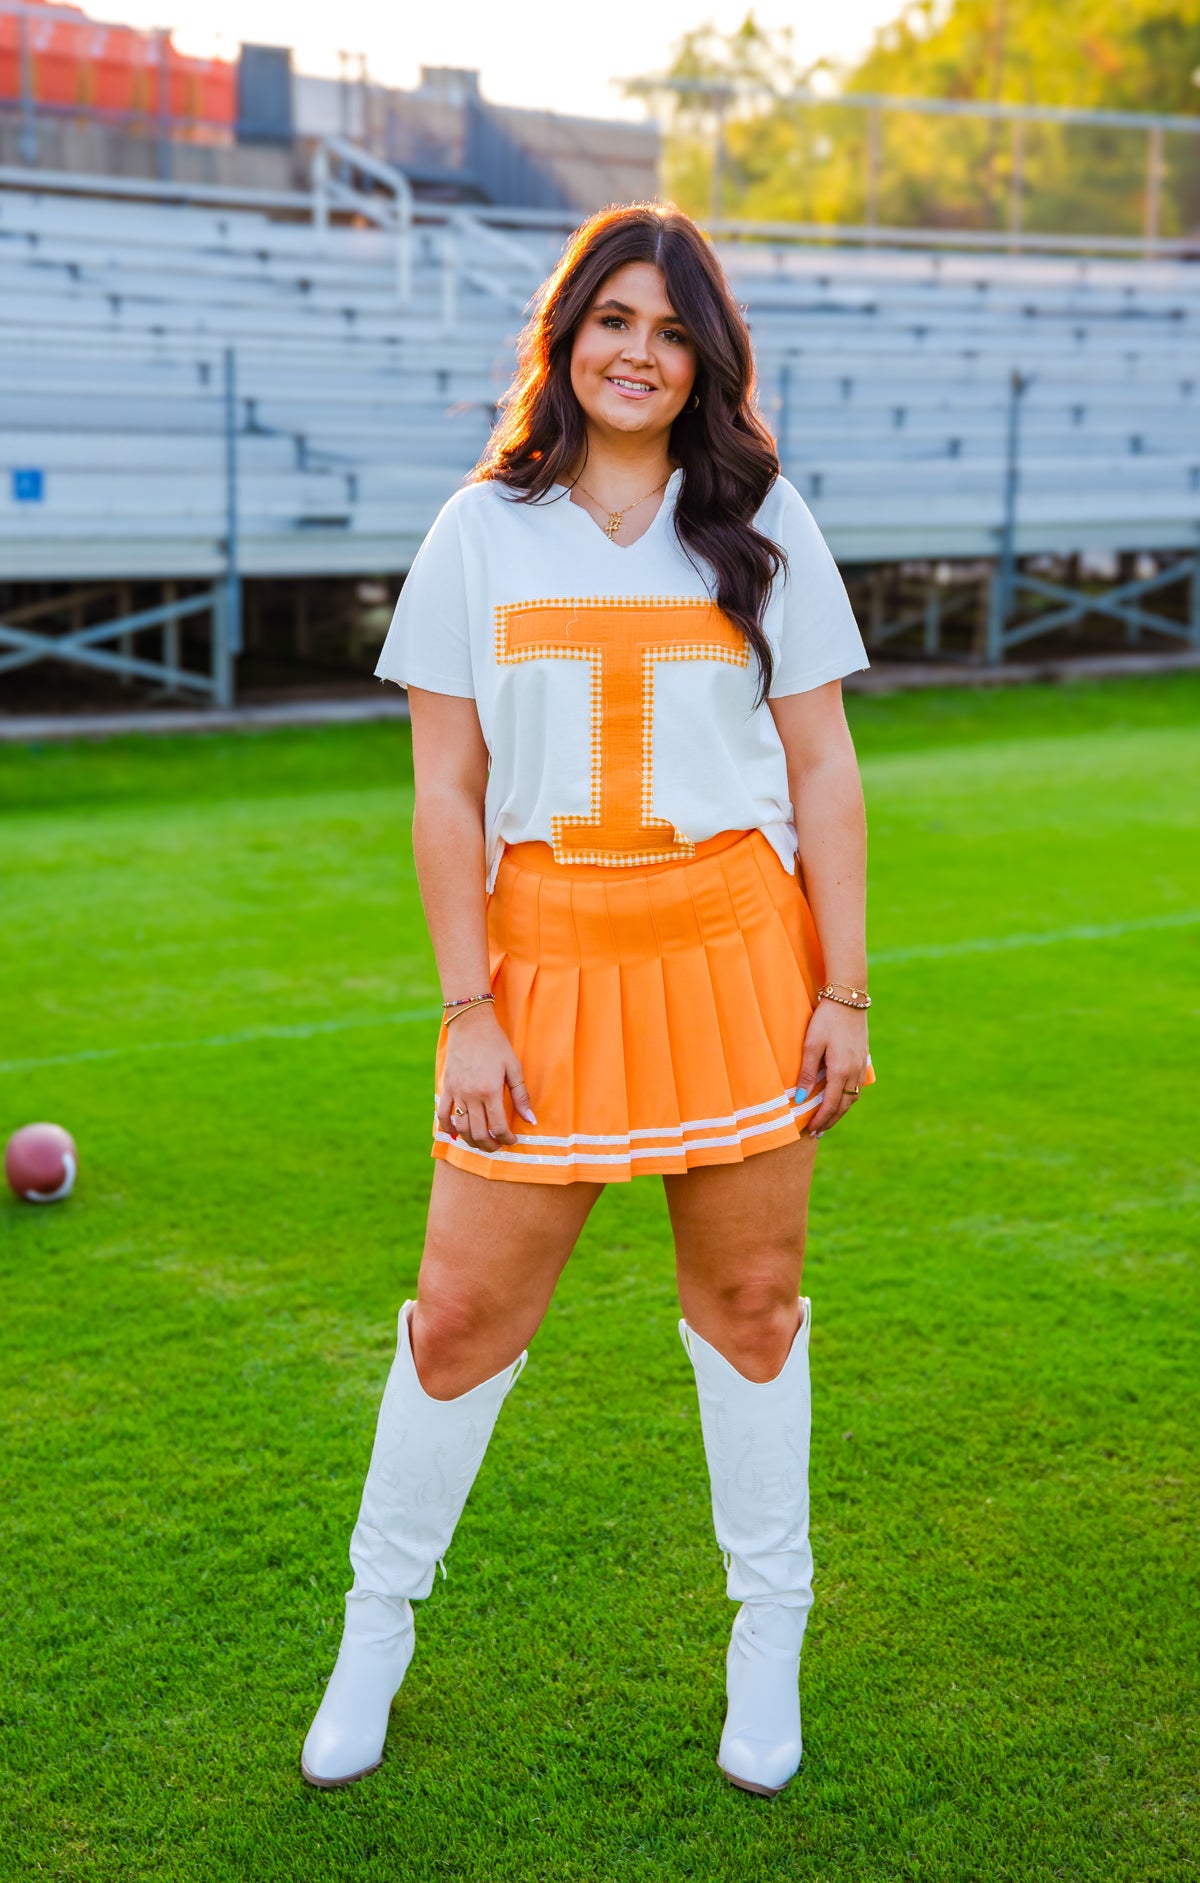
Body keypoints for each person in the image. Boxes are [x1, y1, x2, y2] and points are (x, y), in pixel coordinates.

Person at [301, 202, 874, 1800]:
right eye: (614, 320)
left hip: (734, 950)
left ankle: (769, 1633)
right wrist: (465, 1006)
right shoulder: (483, 526)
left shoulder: (762, 519)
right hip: (540, 961)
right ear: (567, 338)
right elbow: (443, 793)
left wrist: (847, 989)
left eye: (673, 329)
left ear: (708, 359)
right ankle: (375, 1625)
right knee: (462, 1316)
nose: (640, 352)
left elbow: (824, 770)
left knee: (753, 1314)